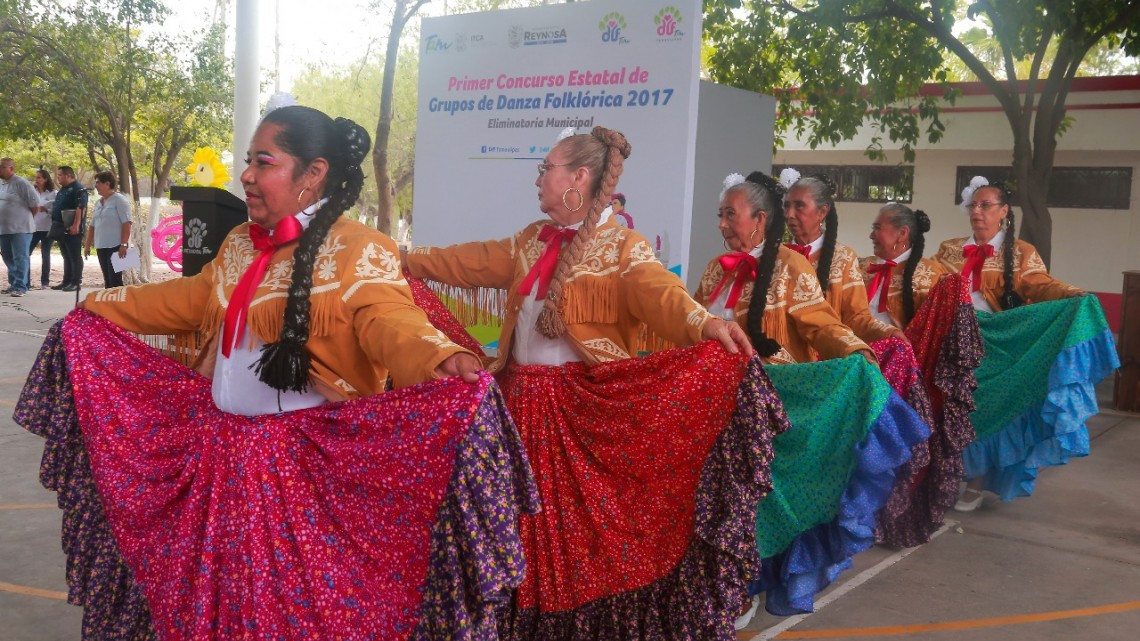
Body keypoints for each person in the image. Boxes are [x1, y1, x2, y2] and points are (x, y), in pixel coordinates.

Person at [20, 106, 535, 640]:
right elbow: (190, 297)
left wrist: (437, 356)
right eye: (248, 161)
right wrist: (103, 304)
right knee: (207, 600)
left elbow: (391, 320)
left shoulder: (360, 250)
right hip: (219, 454)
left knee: (290, 613)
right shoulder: (241, 243)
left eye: (263, 162)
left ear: (313, 174)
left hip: (299, 470)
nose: (246, 174)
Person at [405, 127, 786, 638]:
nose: (538, 178)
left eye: (547, 168)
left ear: (578, 178)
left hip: (579, 413)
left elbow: (663, 296)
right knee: (511, 526)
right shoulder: (529, 241)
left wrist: (705, 324)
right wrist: (401, 260)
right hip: (517, 406)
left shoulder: (622, 248)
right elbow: (463, 261)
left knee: (582, 535)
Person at [934, 177, 1111, 513]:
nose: (977, 211)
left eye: (986, 205)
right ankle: (951, 474)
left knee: (986, 410)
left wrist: (1070, 293)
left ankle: (977, 482)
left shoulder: (1020, 251)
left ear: (1003, 212)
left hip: (999, 343)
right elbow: (928, 283)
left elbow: (1039, 284)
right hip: (953, 341)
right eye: (974, 205)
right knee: (950, 409)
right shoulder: (949, 249)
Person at [694, 170, 872, 364]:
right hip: (711, 375)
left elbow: (820, 324)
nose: (721, 224)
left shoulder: (790, 265)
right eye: (721, 215)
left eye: (730, 215)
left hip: (770, 381)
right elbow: (692, 318)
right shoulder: (716, 267)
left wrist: (853, 348)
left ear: (760, 219)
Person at [782, 171, 903, 347]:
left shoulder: (843, 258)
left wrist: (888, 331)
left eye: (799, 206)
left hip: (826, 359)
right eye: (786, 206)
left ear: (822, 212)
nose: (789, 214)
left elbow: (856, 317)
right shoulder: (777, 256)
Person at [860, 203, 947, 329]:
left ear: (902, 233)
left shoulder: (932, 274)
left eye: (877, 228)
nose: (871, 235)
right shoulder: (859, 266)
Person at [84, 171, 133, 288]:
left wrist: (124, 244)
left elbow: (127, 223)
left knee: (115, 279)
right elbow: (92, 226)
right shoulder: (98, 203)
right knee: (107, 279)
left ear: (107, 184)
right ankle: (109, 304)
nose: (96, 186)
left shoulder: (119, 200)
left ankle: (120, 304)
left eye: (98, 183)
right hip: (101, 246)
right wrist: (87, 246)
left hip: (116, 246)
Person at [0, 158, 39, 297]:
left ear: (11, 168)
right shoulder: (2, 184)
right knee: (7, 256)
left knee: (20, 257)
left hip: (21, 229)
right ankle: (13, 283)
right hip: (4, 229)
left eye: (2, 167)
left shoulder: (21, 183)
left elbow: (35, 205)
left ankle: (21, 286)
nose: (0, 169)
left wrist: (23, 218)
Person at [51, 165, 87, 292]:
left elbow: (81, 207)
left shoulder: (78, 189)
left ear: (68, 175)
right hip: (61, 227)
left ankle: (76, 282)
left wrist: (76, 225)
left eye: (60, 175)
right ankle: (67, 280)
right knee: (66, 254)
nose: (58, 177)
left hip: (73, 227)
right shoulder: (63, 189)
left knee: (74, 255)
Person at [28, 169, 56, 290]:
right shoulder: (32, 192)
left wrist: (47, 210)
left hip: (47, 227)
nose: (37, 180)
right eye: (36, 177)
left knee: (45, 255)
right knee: (26, 253)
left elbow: (57, 210)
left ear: (45, 179)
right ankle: (25, 281)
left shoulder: (53, 193)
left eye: (39, 177)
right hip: (33, 227)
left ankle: (45, 282)